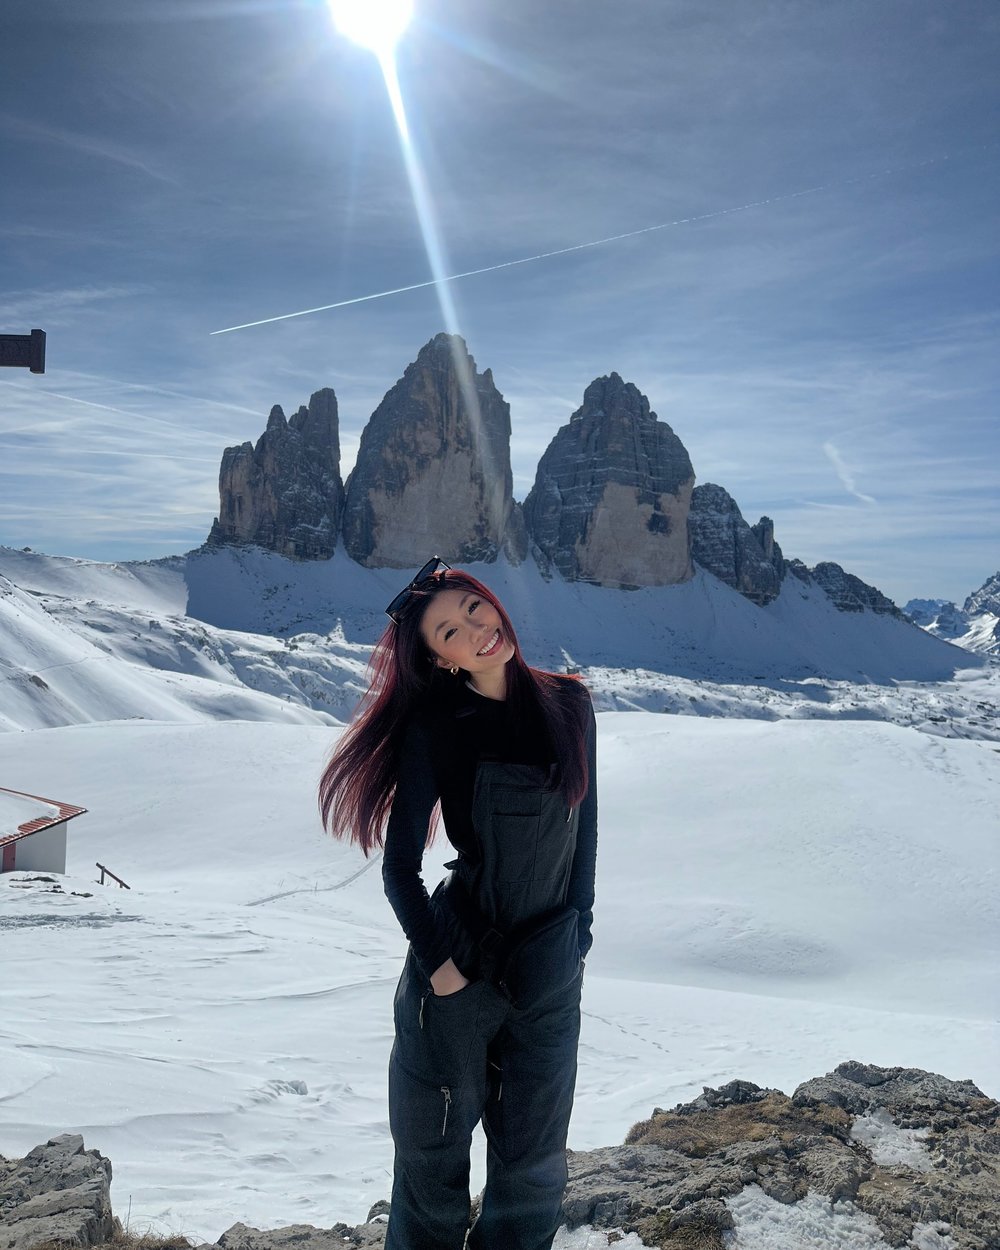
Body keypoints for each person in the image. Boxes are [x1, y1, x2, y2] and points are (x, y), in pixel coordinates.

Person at [319, 557, 598, 1250]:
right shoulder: (438, 727)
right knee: (432, 1171)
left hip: (547, 973)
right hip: (459, 969)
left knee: (533, 1170)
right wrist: (447, 981)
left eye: (474, 609)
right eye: (450, 630)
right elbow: (400, 872)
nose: (476, 629)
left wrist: (577, 936)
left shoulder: (569, 703)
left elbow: (584, 832)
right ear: (438, 660)